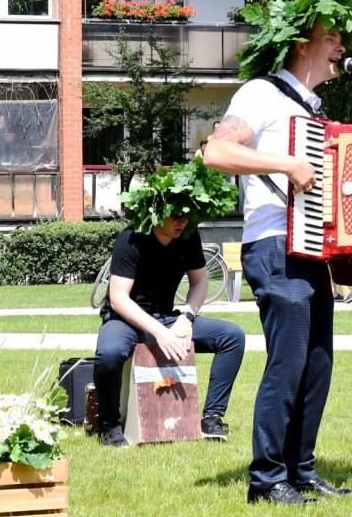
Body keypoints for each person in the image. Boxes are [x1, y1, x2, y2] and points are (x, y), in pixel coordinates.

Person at [205, 0, 352, 506]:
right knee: (286, 362)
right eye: (332, 38)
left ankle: (301, 471)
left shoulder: (312, 109)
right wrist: (286, 164)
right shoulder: (261, 93)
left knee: (317, 363)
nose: (340, 48)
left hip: (311, 251)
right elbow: (215, 152)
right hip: (272, 246)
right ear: (302, 42)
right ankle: (266, 481)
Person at [94, 160, 245, 448]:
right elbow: (118, 297)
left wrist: (186, 318)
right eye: (176, 215)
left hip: (167, 317)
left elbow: (200, 282)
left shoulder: (188, 237)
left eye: (187, 215)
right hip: (125, 320)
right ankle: (110, 425)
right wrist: (161, 333)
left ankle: (212, 418)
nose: (182, 221)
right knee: (110, 353)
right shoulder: (131, 239)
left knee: (232, 337)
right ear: (159, 211)